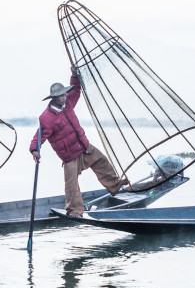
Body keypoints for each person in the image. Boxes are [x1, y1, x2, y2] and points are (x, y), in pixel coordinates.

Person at [30, 67, 129, 217]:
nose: (64, 97)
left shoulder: (68, 103)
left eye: (64, 94)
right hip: (69, 154)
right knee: (71, 185)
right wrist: (34, 150)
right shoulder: (46, 118)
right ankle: (74, 211)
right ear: (54, 98)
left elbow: (76, 91)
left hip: (83, 146)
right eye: (61, 96)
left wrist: (74, 76)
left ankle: (116, 185)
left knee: (102, 161)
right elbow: (39, 136)